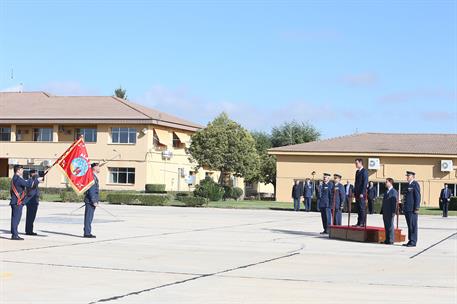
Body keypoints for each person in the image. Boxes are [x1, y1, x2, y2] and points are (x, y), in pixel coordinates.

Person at [10, 165, 33, 240]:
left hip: (15, 201)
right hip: (17, 202)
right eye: (22, 170)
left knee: (14, 218)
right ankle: (14, 235)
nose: (22, 171)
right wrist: (32, 178)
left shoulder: (14, 178)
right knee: (16, 219)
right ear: (18, 170)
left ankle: (14, 233)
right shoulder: (18, 179)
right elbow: (28, 184)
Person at [403, 171, 421, 247]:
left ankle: (413, 241)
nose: (407, 177)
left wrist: (416, 208)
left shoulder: (415, 184)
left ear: (413, 177)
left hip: (412, 209)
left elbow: (417, 197)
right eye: (407, 176)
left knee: (413, 225)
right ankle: (410, 240)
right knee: (409, 225)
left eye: (408, 176)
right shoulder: (408, 185)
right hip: (407, 209)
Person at [84, 163, 100, 238]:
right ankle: (87, 233)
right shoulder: (92, 177)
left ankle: (87, 232)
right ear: (94, 168)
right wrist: (94, 201)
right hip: (90, 201)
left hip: (91, 200)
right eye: (98, 166)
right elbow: (91, 190)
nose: (99, 168)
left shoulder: (94, 176)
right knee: (88, 217)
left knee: (89, 217)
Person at [381, 178, 398, 245]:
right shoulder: (386, 191)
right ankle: (387, 239)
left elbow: (394, 203)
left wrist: (393, 212)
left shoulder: (393, 191)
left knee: (390, 225)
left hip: (390, 211)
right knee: (386, 226)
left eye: (386, 182)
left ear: (390, 183)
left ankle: (391, 240)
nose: (385, 183)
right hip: (385, 211)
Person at [24, 169, 41, 236]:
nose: (36, 174)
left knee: (32, 217)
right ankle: (29, 231)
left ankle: (29, 230)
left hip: (34, 201)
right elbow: (32, 185)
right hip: (31, 202)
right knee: (30, 217)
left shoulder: (34, 180)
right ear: (31, 174)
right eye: (35, 173)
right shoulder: (30, 180)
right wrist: (36, 180)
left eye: (37, 173)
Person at [354, 159, 368, 227]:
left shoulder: (364, 171)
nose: (355, 164)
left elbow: (365, 183)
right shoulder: (357, 171)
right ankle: (359, 222)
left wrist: (362, 192)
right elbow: (356, 183)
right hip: (357, 193)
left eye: (356, 163)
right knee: (358, 208)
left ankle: (362, 222)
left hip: (361, 193)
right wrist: (354, 191)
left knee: (362, 208)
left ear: (360, 163)